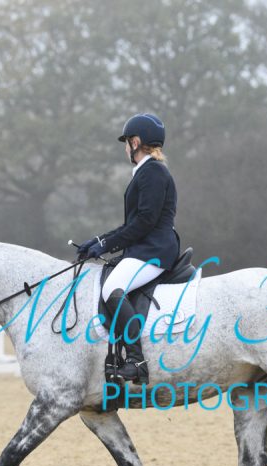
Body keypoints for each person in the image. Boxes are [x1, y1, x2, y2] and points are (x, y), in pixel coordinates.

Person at [77, 113, 180, 383]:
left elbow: (145, 222)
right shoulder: (146, 172)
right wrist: (98, 241)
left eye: (126, 143)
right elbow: (132, 224)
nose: (125, 148)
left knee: (112, 288)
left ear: (135, 143)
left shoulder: (153, 172)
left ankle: (137, 361)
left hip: (154, 251)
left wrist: (106, 245)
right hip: (145, 248)